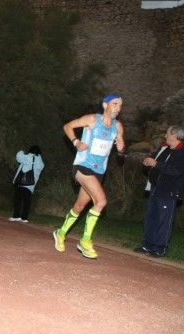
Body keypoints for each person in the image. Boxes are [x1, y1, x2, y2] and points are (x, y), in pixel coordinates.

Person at [53, 94, 125, 259]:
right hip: (82, 166)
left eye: (120, 106)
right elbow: (67, 127)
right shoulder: (92, 119)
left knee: (79, 207)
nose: (118, 108)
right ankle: (85, 241)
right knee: (101, 201)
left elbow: (120, 148)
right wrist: (76, 142)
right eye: (115, 104)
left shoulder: (118, 127)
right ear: (105, 104)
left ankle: (61, 233)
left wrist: (121, 148)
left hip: (99, 171)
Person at [134, 126, 184, 257]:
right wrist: (148, 161)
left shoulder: (183, 153)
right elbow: (154, 159)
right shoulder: (164, 148)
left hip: (168, 191)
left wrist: (156, 164)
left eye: (167, 133)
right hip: (155, 188)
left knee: (163, 220)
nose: (165, 136)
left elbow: (175, 171)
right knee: (151, 217)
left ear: (175, 136)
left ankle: (159, 248)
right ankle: (147, 245)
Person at [9, 146, 45, 223]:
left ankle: (16, 216)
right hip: (31, 185)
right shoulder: (40, 162)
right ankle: (24, 218)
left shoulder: (28, 157)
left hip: (22, 183)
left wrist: (21, 151)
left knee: (18, 200)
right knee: (27, 201)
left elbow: (18, 157)